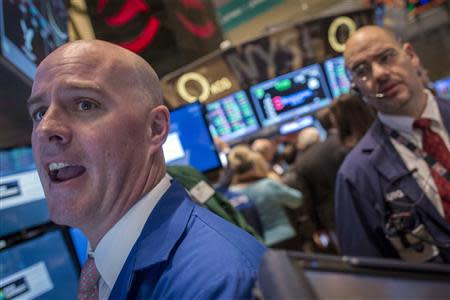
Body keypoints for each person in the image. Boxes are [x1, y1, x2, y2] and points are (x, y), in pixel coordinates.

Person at [28, 40, 266, 299]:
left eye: (85, 104)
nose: (45, 129)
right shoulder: (105, 264)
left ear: (155, 128)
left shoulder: (216, 282)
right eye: (39, 113)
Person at [335, 25, 450, 263]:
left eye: (386, 57)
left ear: (411, 56)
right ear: (357, 87)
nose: (379, 74)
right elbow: (369, 281)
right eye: (362, 70)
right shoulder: (355, 176)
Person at [283, 110, 348, 253]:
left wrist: (316, 227)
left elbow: (308, 199)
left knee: (348, 253)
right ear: (318, 136)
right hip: (357, 201)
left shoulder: (301, 164)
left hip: (331, 216)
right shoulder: (340, 143)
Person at [228, 145, 303, 249]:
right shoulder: (268, 185)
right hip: (285, 237)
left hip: (259, 246)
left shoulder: (232, 194)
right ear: (253, 164)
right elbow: (297, 200)